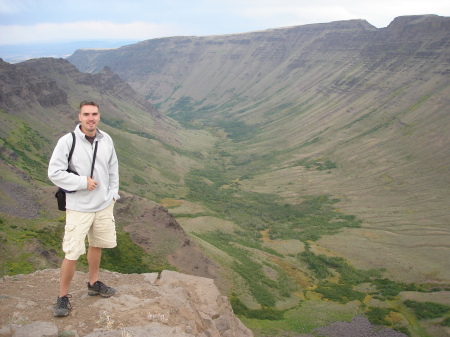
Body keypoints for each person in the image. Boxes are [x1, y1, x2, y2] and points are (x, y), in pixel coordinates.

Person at [48, 100, 120, 317]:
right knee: (72, 252)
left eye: (94, 114)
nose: (91, 118)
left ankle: (93, 282)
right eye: (86, 114)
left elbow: (113, 168)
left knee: (96, 244)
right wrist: (82, 182)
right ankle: (62, 297)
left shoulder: (106, 139)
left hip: (103, 204)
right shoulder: (67, 141)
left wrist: (113, 194)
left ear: (99, 116)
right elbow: (54, 172)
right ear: (79, 117)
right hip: (79, 207)